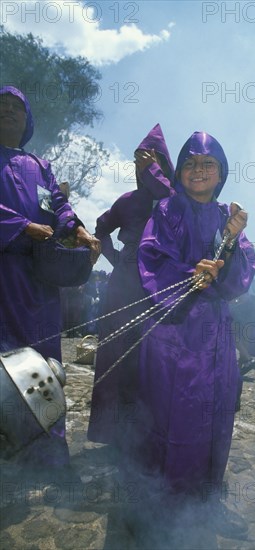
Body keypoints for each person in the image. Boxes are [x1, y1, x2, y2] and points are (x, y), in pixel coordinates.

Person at [137, 132, 255, 526]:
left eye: (208, 163)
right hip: (173, 333)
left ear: (221, 172)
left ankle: (206, 502)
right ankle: (166, 503)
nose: (199, 169)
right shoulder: (167, 211)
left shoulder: (228, 217)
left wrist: (232, 244)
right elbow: (151, 258)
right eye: (190, 163)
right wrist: (191, 273)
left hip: (216, 335)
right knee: (173, 416)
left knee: (217, 416)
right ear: (179, 171)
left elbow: (239, 281)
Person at [0, 86, 100, 471]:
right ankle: (11, 449)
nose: (8, 112)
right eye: (2, 107)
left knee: (45, 362)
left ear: (28, 121)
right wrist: (22, 226)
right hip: (4, 271)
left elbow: (58, 205)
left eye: (16, 109)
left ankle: (47, 451)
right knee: (7, 362)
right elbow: (30, 218)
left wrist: (79, 231)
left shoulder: (39, 166)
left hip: (40, 277)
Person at [87, 124, 175, 454]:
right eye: (141, 160)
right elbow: (101, 227)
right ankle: (112, 433)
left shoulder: (175, 197)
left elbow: (168, 194)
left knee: (153, 357)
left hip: (162, 286)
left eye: (155, 161)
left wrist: (151, 170)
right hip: (124, 284)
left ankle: (149, 435)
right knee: (115, 356)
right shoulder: (127, 200)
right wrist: (113, 258)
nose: (147, 166)